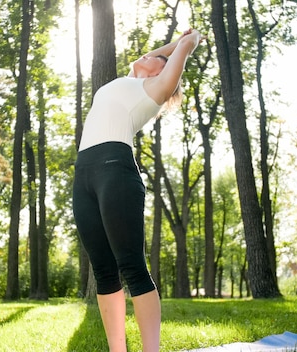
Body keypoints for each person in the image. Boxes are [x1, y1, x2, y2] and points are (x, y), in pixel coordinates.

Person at [72, 28, 204, 352]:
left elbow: (174, 60)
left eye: (158, 58)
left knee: (132, 267)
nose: (147, 55)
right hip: (84, 174)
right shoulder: (132, 79)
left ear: (163, 70)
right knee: (103, 271)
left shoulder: (155, 88)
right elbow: (151, 57)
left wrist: (189, 41)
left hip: (114, 171)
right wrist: (169, 48)